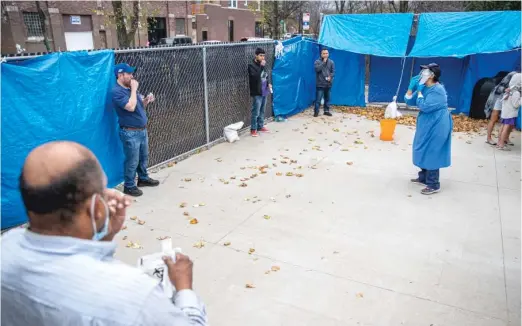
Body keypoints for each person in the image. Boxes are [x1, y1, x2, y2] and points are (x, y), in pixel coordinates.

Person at [1, 141, 208, 326]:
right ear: (97, 209)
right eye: (102, 191)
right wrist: (183, 288)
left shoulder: (6, 247)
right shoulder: (133, 295)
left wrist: (104, 235)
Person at [405, 63, 453, 195]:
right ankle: (424, 177)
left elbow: (425, 106)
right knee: (421, 148)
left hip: (438, 123)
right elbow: (408, 101)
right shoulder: (424, 87)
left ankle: (433, 183)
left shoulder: (438, 90)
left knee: (432, 151)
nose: (421, 74)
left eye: (424, 72)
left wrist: (419, 92)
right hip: (426, 123)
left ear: (432, 75)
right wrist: (411, 88)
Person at [112, 63, 159, 197]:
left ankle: (143, 178)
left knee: (143, 157)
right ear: (120, 75)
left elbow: (138, 105)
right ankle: (129, 186)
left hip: (141, 130)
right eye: (129, 74)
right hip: (130, 132)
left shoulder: (130, 89)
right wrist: (133, 89)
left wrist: (146, 101)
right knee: (132, 160)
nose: (132, 77)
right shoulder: (117, 92)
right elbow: (130, 107)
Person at [485, 71, 517, 146]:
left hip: (510, 100)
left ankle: (506, 138)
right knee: (494, 118)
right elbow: (499, 87)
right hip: (499, 97)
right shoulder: (513, 75)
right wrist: (505, 90)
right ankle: (488, 138)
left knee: (510, 119)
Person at [248, 47, 272, 137]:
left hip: (264, 90)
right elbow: (255, 77)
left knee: (262, 110)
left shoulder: (263, 64)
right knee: (256, 111)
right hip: (257, 91)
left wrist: (269, 83)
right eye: (261, 56)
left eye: (264, 56)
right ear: (256, 55)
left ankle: (260, 126)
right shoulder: (251, 65)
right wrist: (261, 66)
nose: (263, 58)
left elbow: (266, 74)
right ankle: (253, 129)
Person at [497, 73, 521, 150]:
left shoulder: (508, 90)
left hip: (505, 113)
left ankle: (499, 142)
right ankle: (501, 144)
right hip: (510, 113)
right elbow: (516, 105)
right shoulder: (516, 93)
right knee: (506, 128)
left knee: (502, 127)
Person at [314, 48, 335, 117]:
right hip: (320, 84)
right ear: (321, 54)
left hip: (328, 84)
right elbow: (317, 69)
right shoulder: (317, 61)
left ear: (328, 54)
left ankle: (326, 111)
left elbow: (333, 72)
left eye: (327, 53)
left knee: (327, 99)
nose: (325, 55)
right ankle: (316, 112)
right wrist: (323, 62)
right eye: (324, 53)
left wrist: (330, 77)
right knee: (318, 100)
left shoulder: (331, 62)